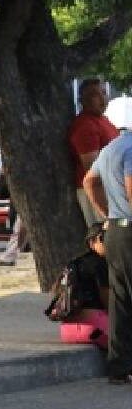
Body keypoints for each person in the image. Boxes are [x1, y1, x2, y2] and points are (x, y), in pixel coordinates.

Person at [82, 132, 132, 383]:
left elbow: (89, 181)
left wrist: (107, 214)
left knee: (121, 299)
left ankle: (120, 367)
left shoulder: (113, 147)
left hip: (117, 230)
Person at [69, 79, 119, 227]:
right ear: (82, 100)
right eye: (94, 95)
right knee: (105, 237)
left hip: (111, 189)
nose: (102, 98)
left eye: (103, 93)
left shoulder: (103, 120)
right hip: (97, 191)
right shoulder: (85, 126)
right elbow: (92, 168)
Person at [57, 223, 109, 350]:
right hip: (95, 329)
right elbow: (108, 301)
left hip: (67, 331)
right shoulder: (100, 264)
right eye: (105, 238)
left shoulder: (73, 263)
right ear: (92, 242)